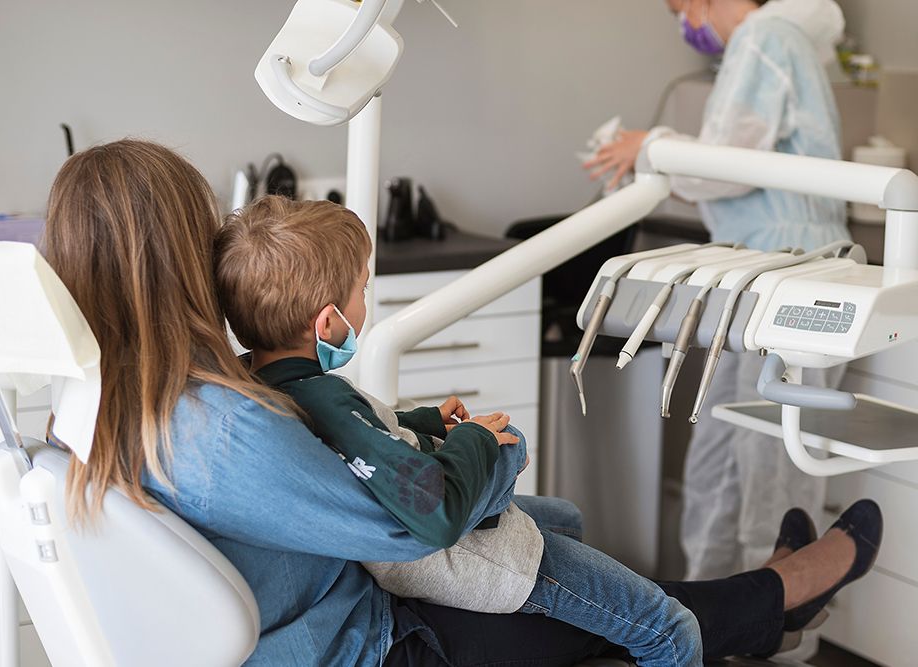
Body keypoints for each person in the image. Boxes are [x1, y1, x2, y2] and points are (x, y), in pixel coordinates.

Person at [43, 139, 881, 667]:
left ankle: (770, 603)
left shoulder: (109, 396)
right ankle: (778, 593)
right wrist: (492, 443)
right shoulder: (217, 426)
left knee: (563, 532)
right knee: (628, 611)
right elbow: (421, 517)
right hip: (375, 637)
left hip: (334, 600)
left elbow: (335, 458)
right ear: (181, 259)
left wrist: (409, 428)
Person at [213, 195, 702, 666]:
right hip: (467, 560)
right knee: (671, 628)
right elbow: (436, 510)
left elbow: (359, 440)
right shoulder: (327, 400)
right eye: (362, 291)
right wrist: (479, 442)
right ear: (328, 322)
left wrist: (419, 423)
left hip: (409, 560)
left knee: (566, 516)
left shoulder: (258, 382)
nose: (365, 303)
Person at [586, 0, 851, 581]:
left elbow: (727, 165)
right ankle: (711, 617)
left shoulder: (765, 37)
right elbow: (734, 171)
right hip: (758, 276)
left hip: (796, 278)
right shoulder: (767, 42)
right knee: (723, 456)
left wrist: (650, 147)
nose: (687, 24)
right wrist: (654, 157)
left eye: (682, 8)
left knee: (771, 473)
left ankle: (778, 632)